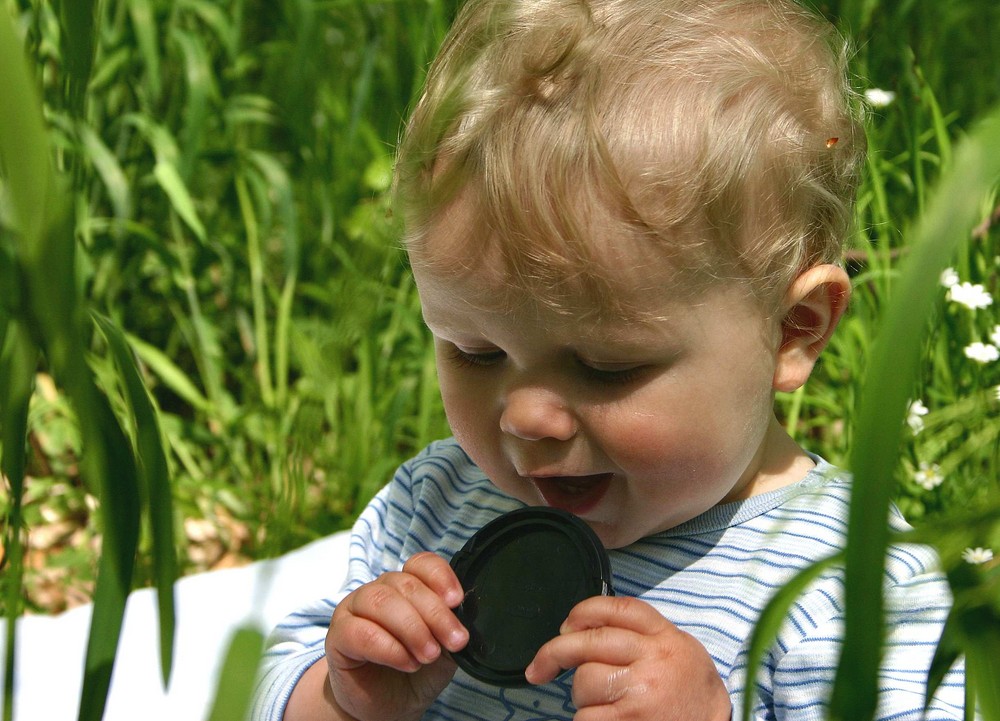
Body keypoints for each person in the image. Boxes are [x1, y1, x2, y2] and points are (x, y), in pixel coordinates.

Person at [252, 0, 966, 719]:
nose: (528, 416)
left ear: (792, 329)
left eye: (605, 367)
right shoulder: (437, 506)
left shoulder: (854, 587)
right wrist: (346, 698)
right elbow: (268, 685)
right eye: (476, 350)